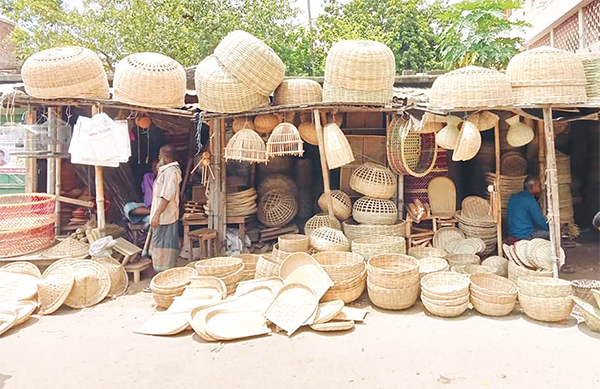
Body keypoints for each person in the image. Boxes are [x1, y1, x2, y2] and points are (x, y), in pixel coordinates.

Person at [149, 145, 182, 272]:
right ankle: (162, 273)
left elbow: (166, 196)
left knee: (163, 247)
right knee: (160, 247)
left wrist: (157, 214)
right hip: (162, 216)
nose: (158, 159)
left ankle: (163, 274)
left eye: (160, 156)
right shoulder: (166, 171)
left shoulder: (171, 172)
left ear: (165, 157)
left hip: (165, 217)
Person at [507, 176, 549, 240]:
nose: (541, 188)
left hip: (512, 233)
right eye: (539, 186)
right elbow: (539, 220)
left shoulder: (513, 197)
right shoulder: (529, 199)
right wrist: (550, 228)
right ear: (531, 187)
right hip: (525, 234)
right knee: (554, 235)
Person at [123, 160, 158, 227]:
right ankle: (151, 212)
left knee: (149, 219)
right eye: (152, 167)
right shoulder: (148, 176)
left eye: (156, 167)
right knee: (127, 207)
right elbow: (145, 192)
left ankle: (152, 213)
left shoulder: (165, 179)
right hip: (147, 207)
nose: (153, 169)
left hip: (160, 208)